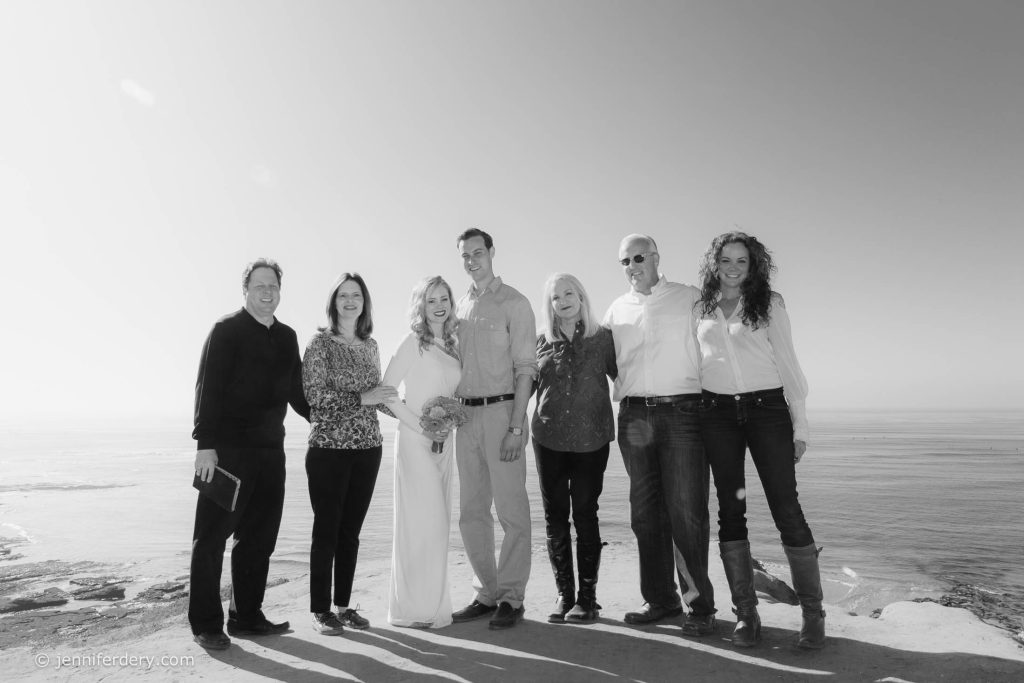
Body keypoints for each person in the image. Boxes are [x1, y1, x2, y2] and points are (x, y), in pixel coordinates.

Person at [694, 231, 824, 649]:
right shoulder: (700, 308)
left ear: (753, 267)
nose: (733, 268)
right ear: (715, 264)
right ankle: (746, 615)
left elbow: (789, 365)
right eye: (726, 260)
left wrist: (800, 427)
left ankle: (812, 614)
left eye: (741, 262)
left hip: (768, 412)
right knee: (730, 514)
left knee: (787, 508)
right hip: (717, 415)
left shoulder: (770, 304)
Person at [189, 258, 310, 651]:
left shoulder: (288, 337)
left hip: (271, 454)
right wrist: (204, 446)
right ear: (245, 290)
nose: (266, 292)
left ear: (280, 290)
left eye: (273, 285)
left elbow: (299, 393)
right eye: (259, 285)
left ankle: (246, 616)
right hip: (226, 454)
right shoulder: (226, 330)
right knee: (211, 540)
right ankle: (207, 623)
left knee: (259, 539)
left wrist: (325, 419)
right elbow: (206, 388)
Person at [603, 234, 717, 636]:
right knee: (645, 513)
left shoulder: (689, 297)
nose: (631, 266)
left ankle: (699, 606)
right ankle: (660, 600)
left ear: (654, 257)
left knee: (687, 510)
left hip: (684, 413)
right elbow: (607, 360)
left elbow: (719, 343)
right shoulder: (616, 309)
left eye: (638, 258)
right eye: (624, 261)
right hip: (634, 416)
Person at [451, 228, 538, 630]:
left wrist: (516, 427)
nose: (472, 260)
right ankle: (486, 593)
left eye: (478, 252)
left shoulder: (514, 303)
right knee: (471, 513)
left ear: (491, 253)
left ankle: (511, 598)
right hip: (464, 419)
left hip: (503, 413)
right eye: (465, 255)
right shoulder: (459, 308)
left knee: (511, 510)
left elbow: (526, 369)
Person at [302, 273, 397, 635]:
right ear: (334, 302)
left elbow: (381, 397)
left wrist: (420, 415)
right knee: (326, 530)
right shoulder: (320, 344)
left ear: (364, 302)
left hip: (368, 449)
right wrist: (363, 399)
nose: (350, 300)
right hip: (328, 450)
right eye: (344, 295)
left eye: (356, 295)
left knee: (351, 533)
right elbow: (315, 397)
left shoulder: (370, 346)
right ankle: (320, 610)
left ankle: (343, 607)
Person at [532, 273, 617, 624]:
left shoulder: (604, 340)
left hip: (590, 442)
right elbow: (525, 385)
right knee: (554, 518)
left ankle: (588, 598)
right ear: (549, 305)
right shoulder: (539, 343)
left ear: (582, 297)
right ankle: (564, 595)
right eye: (555, 296)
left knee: (585, 514)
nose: (563, 300)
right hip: (548, 439)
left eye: (569, 293)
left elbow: (626, 378)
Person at [379, 276, 463, 628]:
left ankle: (429, 607)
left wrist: (448, 422)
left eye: (444, 298)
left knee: (438, 526)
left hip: (444, 445)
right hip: (416, 443)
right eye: (431, 300)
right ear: (421, 306)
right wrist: (422, 427)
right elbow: (386, 392)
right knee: (424, 524)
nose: (439, 305)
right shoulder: (415, 342)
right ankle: (412, 611)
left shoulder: (453, 345)